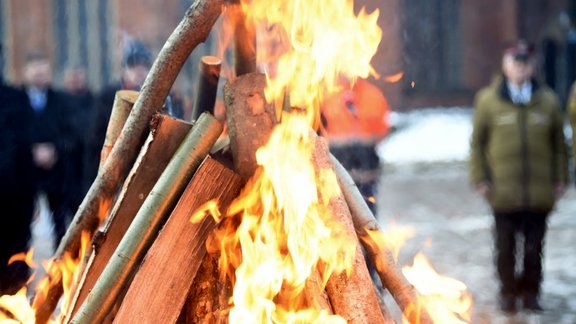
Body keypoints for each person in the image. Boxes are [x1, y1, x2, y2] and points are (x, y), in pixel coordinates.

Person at [469, 40, 568, 313]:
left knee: (534, 248)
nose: (520, 67)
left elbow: (560, 144)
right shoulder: (489, 101)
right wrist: (480, 177)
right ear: (505, 65)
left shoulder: (547, 101)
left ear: (532, 66)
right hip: (503, 191)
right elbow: (477, 143)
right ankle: (508, 294)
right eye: (515, 62)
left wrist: (561, 177)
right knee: (505, 247)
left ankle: (531, 294)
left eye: (525, 63)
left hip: (538, 191)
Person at [20, 53, 76, 246]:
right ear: (26, 72)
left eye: (44, 71)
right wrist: (31, 151)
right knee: (22, 224)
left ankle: (59, 270)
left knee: (60, 224)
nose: (40, 75)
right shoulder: (16, 100)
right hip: (25, 171)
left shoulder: (60, 100)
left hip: (56, 172)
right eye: (36, 71)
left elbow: (70, 132)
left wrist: (54, 151)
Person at [321, 77, 390, 213]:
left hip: (366, 169)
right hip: (336, 168)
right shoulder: (327, 94)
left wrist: (362, 141)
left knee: (366, 213)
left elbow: (382, 129)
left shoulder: (372, 95)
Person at [0, 46, 36, 294]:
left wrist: (29, 199)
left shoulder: (16, 98)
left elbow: (24, 151)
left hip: (14, 199)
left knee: (13, 265)